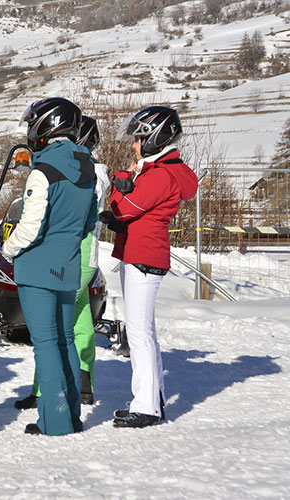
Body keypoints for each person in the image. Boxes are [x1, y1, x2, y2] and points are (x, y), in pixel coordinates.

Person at [2, 97, 98, 436]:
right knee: (66, 341)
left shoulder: (43, 172)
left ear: (46, 126)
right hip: (68, 266)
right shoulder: (87, 170)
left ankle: (54, 422)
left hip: (38, 269)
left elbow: (29, 228)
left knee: (45, 344)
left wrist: (7, 248)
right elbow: (89, 223)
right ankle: (71, 415)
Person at [101, 105, 197, 428]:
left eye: (139, 139)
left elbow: (123, 208)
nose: (134, 145)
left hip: (143, 257)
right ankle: (151, 399)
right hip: (141, 254)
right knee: (145, 332)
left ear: (156, 139)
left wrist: (124, 178)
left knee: (139, 333)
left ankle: (146, 406)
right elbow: (124, 211)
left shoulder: (160, 175)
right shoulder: (158, 171)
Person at [15, 115, 109, 410]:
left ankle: (47, 393)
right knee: (78, 323)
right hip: (85, 255)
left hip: (68, 253)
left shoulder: (78, 170)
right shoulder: (95, 172)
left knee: (52, 330)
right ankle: (83, 385)